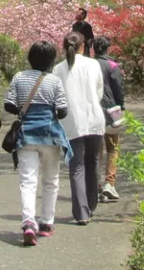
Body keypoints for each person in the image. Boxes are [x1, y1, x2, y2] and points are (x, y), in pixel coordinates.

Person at [4, 40, 72, 247]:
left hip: (26, 136)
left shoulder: (19, 77)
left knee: (28, 180)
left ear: (30, 58)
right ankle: (46, 224)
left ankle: (28, 223)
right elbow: (62, 111)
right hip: (50, 135)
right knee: (51, 181)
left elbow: (9, 105)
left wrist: (23, 111)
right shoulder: (54, 81)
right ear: (52, 60)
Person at [52, 31, 105, 224]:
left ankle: (82, 213)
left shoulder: (58, 70)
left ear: (64, 47)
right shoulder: (93, 64)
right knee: (93, 163)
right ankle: (90, 206)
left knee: (76, 167)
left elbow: (57, 99)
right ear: (84, 46)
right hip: (94, 119)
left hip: (71, 122)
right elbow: (99, 92)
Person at [93, 35, 125, 203]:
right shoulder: (112, 65)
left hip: (93, 110)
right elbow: (119, 88)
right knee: (113, 147)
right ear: (108, 48)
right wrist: (121, 106)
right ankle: (109, 183)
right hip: (113, 108)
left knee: (96, 149)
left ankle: (96, 184)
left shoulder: (89, 65)